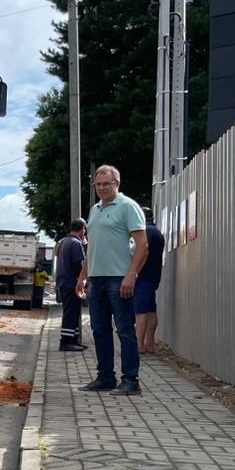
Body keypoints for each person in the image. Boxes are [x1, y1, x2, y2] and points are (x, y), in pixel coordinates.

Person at [76, 165, 147, 395]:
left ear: (117, 184)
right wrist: (82, 278)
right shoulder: (95, 211)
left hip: (119, 278)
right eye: (98, 184)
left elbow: (143, 245)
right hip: (97, 279)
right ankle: (105, 377)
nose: (102, 188)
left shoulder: (128, 207)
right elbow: (92, 249)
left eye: (107, 183)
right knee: (99, 329)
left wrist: (132, 274)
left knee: (125, 330)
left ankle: (131, 380)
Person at [135, 207, 166, 353]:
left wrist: (135, 272)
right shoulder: (158, 233)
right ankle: (150, 344)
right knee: (151, 310)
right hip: (154, 277)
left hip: (143, 277)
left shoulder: (145, 232)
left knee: (140, 311)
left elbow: (144, 252)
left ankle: (139, 346)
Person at [56, 218, 87, 351]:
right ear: (83, 229)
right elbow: (79, 265)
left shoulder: (64, 241)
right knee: (71, 313)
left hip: (64, 281)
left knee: (71, 312)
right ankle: (67, 342)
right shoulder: (75, 244)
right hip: (72, 283)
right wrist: (83, 280)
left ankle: (73, 339)